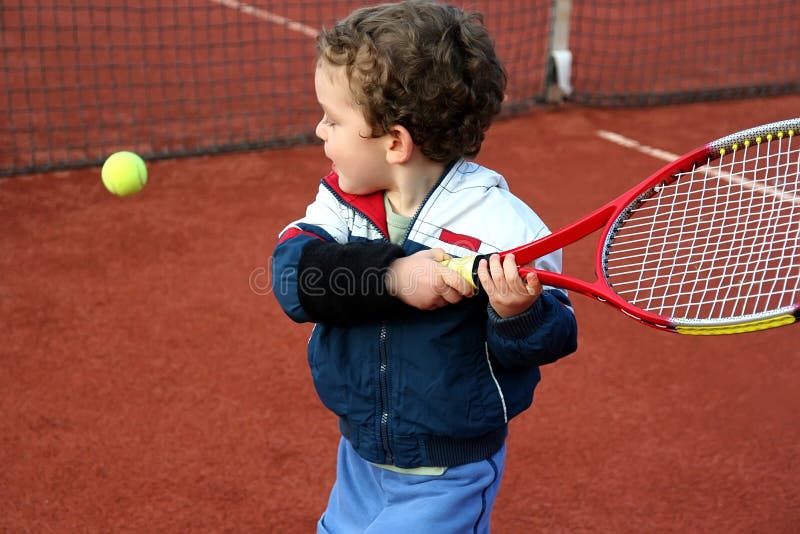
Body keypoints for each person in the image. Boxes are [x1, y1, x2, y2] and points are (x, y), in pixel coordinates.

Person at [271, 1, 578, 531]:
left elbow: (548, 339)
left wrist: (515, 312)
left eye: (333, 119)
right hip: (361, 456)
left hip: (447, 475)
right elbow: (292, 276)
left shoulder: (503, 227)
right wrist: (394, 276)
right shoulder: (340, 204)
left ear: (395, 142)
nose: (320, 131)